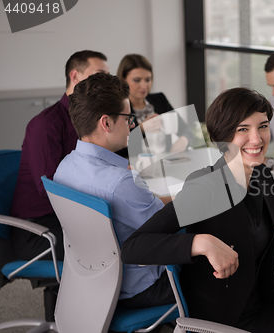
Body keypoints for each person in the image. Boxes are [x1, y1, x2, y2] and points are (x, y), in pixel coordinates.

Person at [121, 87, 274, 333]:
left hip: (261, 303)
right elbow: (134, 247)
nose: (257, 138)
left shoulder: (261, 174)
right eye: (243, 129)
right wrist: (201, 242)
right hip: (230, 317)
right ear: (223, 136)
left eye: (262, 126)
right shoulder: (206, 186)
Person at [54, 73, 174, 308]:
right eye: (129, 118)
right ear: (106, 123)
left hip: (93, 281)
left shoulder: (64, 167)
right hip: (141, 286)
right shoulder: (121, 183)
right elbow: (167, 227)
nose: (132, 125)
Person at [10, 50, 109, 261]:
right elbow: (52, 190)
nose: (105, 82)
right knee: (112, 246)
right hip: (38, 229)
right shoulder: (46, 124)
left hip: (74, 218)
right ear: (75, 76)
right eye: (98, 75)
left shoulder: (94, 121)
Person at [116, 54, 191, 159]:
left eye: (148, 79)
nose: (144, 86)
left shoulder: (159, 100)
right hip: (135, 168)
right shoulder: (117, 108)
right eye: (137, 80)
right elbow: (118, 148)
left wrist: (183, 140)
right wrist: (140, 130)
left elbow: (186, 129)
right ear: (124, 80)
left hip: (166, 164)